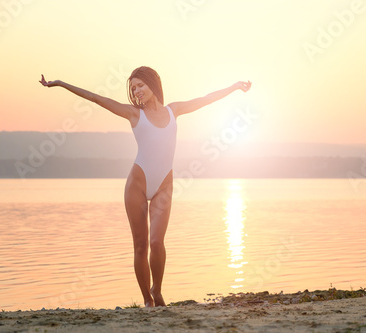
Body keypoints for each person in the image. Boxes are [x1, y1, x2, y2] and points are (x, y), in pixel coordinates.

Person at [39, 66, 251, 307]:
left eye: (140, 85)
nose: (136, 91)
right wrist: (60, 83)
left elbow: (204, 100)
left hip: (164, 186)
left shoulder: (174, 110)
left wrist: (233, 88)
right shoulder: (133, 114)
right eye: (133, 88)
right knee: (140, 246)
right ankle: (147, 300)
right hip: (137, 186)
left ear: (153, 84)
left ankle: (157, 290)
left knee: (156, 243)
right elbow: (96, 98)